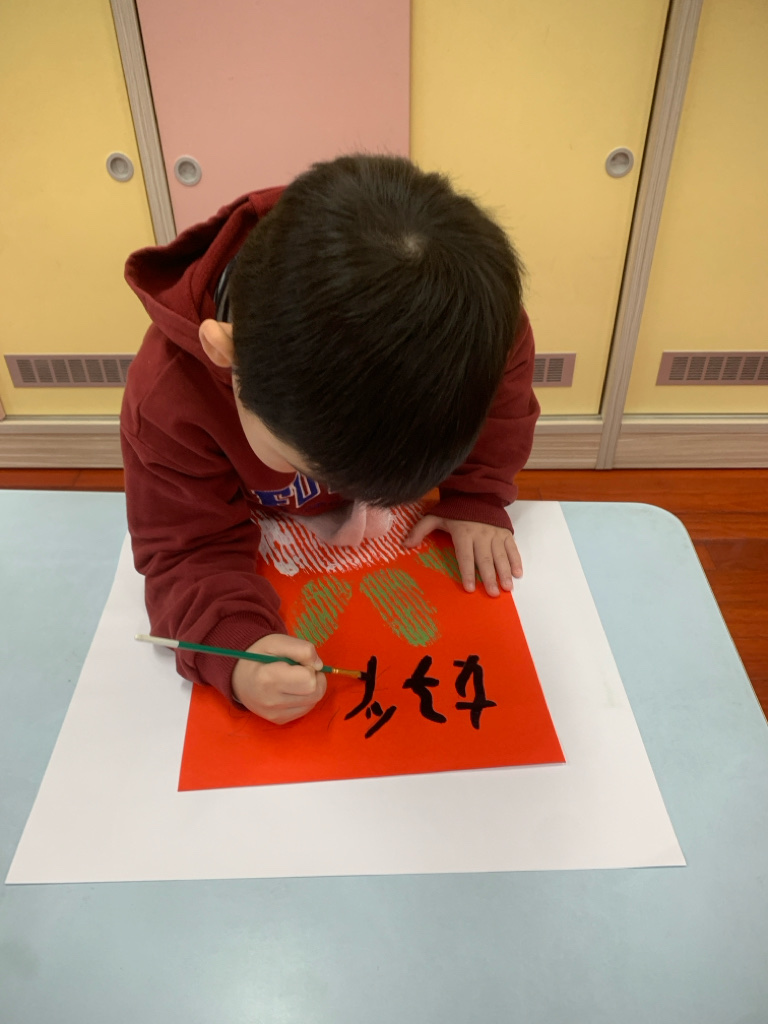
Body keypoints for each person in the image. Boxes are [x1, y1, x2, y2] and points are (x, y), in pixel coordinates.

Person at [121, 154, 539, 725]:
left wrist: (477, 493)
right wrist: (237, 649)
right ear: (227, 353)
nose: (343, 493)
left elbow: (501, 410)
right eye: (303, 464)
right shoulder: (167, 397)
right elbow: (184, 547)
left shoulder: (480, 327)